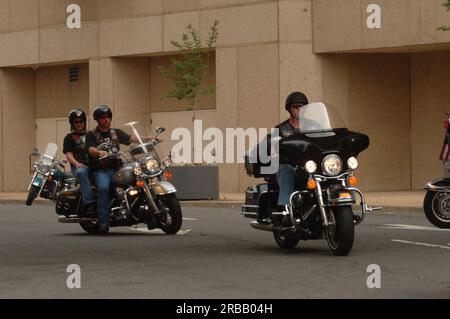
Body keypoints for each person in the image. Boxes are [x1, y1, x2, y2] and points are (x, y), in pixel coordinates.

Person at [86, 105, 156, 235]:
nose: (106, 120)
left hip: (117, 167)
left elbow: (132, 139)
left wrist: (151, 139)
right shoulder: (91, 134)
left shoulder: (115, 132)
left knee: (138, 180)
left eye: (107, 117)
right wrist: (99, 152)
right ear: (97, 120)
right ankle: (103, 222)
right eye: (102, 118)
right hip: (101, 170)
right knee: (104, 188)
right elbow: (90, 149)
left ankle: (149, 215)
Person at [274, 91, 309, 214]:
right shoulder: (281, 128)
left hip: (311, 166)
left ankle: (343, 203)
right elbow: (276, 148)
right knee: (285, 171)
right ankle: (285, 209)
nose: (299, 109)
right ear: (289, 109)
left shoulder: (315, 126)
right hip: (292, 166)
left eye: (302, 106)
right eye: (296, 106)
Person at [63, 109, 96, 216]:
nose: (79, 124)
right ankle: (90, 204)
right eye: (76, 122)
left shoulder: (91, 135)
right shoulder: (69, 137)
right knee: (81, 172)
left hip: (93, 165)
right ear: (72, 123)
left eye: (81, 121)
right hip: (79, 167)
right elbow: (69, 154)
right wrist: (76, 163)